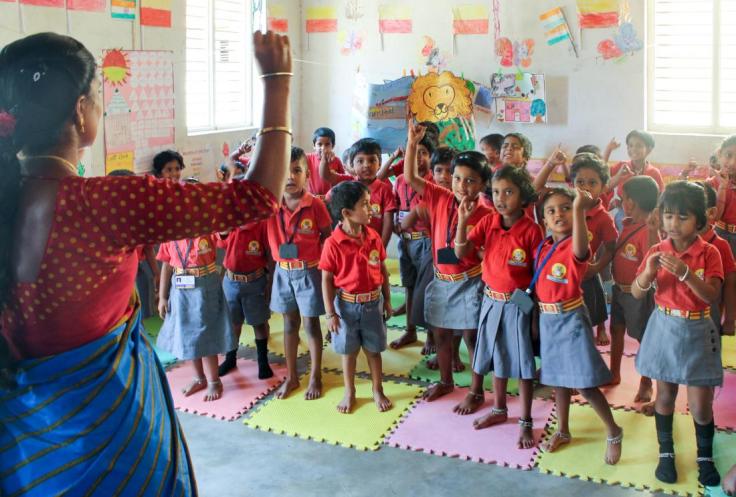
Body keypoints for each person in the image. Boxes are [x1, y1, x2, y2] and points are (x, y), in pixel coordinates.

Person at [0, 30, 291, 495]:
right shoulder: (107, 202)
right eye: (98, 97)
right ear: (80, 111)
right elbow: (257, 197)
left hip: (29, 445)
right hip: (111, 439)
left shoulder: (12, 202)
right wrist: (278, 79)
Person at [632, 181, 724, 486]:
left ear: (699, 220)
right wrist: (647, 272)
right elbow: (635, 292)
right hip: (665, 327)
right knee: (666, 395)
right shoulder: (657, 250)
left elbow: (711, 296)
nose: (673, 223)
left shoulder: (711, 252)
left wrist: (685, 274)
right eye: (668, 215)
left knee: (700, 404)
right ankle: (666, 453)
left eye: (682, 217)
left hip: (698, 328)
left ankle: (705, 456)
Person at [453, 166, 543, 449]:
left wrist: (533, 317)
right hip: (491, 300)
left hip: (519, 302)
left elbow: (537, 277)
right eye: (495, 192)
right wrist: (462, 221)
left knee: (524, 366)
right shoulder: (489, 221)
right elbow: (461, 253)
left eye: (509, 192)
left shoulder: (531, 230)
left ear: (523, 194)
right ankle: (499, 408)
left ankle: (526, 420)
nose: (501, 198)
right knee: (497, 358)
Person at [404, 121, 493, 402]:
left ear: (482, 184)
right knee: (440, 334)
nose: (461, 186)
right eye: (457, 178)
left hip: (469, 282)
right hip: (442, 279)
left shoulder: (486, 212)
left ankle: (477, 390)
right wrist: (412, 144)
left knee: (471, 337)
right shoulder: (441, 195)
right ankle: (445, 381)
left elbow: (475, 252)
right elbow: (410, 178)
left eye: (470, 180)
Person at [535, 187, 623, 465]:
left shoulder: (576, 245)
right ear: (544, 221)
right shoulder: (544, 246)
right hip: (548, 320)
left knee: (584, 384)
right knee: (558, 380)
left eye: (565, 208)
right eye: (551, 211)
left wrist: (579, 209)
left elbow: (582, 249)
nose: (558, 214)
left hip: (570, 319)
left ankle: (613, 431)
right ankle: (563, 429)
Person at [157, 178, 236, 401]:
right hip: (180, 290)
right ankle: (199, 377)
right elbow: (166, 263)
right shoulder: (171, 230)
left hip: (205, 288)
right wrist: (163, 296)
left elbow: (224, 232)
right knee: (187, 336)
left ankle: (213, 380)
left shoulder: (209, 225)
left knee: (206, 333)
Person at [320, 181, 393, 413]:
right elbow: (326, 280)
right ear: (346, 213)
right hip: (346, 308)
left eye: (370, 203)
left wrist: (388, 300)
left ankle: (377, 389)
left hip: (373, 304)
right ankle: (349, 391)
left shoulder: (373, 236)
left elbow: (383, 271)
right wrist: (330, 313)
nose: (371, 209)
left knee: (374, 351)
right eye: (365, 205)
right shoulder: (332, 244)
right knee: (348, 352)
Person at [267, 146, 331, 400]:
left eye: (297, 170)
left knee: (311, 325)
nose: (290, 177)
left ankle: (316, 374)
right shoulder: (270, 204)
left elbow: (327, 236)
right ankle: (292, 376)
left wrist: (326, 272)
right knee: (289, 324)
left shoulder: (315, 205)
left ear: (307, 174)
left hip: (309, 272)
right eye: (284, 171)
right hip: (283, 273)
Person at [598, 176, 660, 396]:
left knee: (644, 337)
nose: (622, 202)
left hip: (639, 294)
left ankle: (646, 381)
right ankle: (614, 373)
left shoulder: (648, 231)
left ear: (632, 202)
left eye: (623, 198)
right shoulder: (627, 224)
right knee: (616, 331)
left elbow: (653, 258)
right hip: (618, 290)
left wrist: (653, 233)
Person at [320, 138, 397, 247]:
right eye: (360, 161)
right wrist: (324, 160)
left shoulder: (384, 190)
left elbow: (388, 223)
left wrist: (382, 247)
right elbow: (326, 176)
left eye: (372, 160)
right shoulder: (348, 182)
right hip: (348, 244)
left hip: (373, 245)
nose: (366, 165)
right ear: (352, 164)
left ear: (379, 164)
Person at [306, 127, 345, 199]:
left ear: (332, 146)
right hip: (312, 198)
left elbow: (342, 184)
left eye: (327, 144)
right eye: (319, 144)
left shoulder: (336, 161)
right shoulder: (307, 159)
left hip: (330, 199)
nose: (323, 148)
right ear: (314, 146)